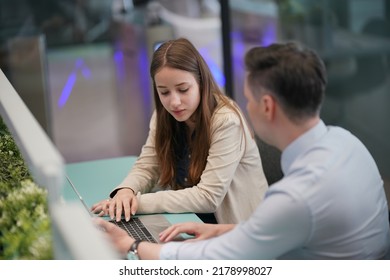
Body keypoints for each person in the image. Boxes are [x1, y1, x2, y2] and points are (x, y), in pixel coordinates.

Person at [96, 41, 390, 260]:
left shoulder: (297, 195)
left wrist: (133, 246)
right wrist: (221, 231)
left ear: (267, 107)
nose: (243, 108)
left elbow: (226, 259)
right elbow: (276, 234)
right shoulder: (348, 142)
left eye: (248, 99)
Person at [91, 38, 268, 224]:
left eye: (183, 89)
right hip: (189, 219)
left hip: (235, 231)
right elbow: (148, 166)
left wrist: (136, 202)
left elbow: (208, 197)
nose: (174, 102)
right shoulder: (164, 115)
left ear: (201, 82)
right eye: (164, 92)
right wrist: (126, 192)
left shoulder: (226, 121)